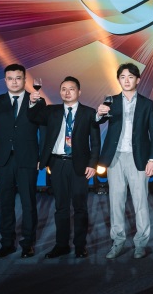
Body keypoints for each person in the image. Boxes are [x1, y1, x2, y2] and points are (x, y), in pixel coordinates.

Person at [28, 76, 99, 259]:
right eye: (63, 89)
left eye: (71, 89)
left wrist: (92, 164)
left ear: (79, 92)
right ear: (60, 92)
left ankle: (80, 245)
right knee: (61, 207)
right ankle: (61, 245)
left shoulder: (89, 113)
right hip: (57, 163)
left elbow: (95, 142)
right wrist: (32, 103)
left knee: (80, 207)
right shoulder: (51, 111)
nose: (67, 93)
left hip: (80, 166)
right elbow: (33, 117)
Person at [0, 63, 41, 259]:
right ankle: (6, 244)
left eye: (18, 78)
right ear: (5, 81)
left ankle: (28, 244)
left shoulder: (36, 100)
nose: (14, 82)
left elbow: (44, 128)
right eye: (10, 78)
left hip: (28, 157)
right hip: (3, 158)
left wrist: (41, 157)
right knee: (5, 202)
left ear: (25, 80)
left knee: (28, 203)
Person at [99, 63, 153, 260]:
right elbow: (98, 121)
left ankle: (140, 244)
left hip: (139, 158)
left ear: (138, 80)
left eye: (130, 77)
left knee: (140, 202)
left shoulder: (147, 104)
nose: (126, 80)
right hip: (115, 157)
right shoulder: (111, 101)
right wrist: (99, 113)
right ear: (118, 79)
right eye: (123, 77)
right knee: (115, 202)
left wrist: (152, 160)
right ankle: (117, 242)